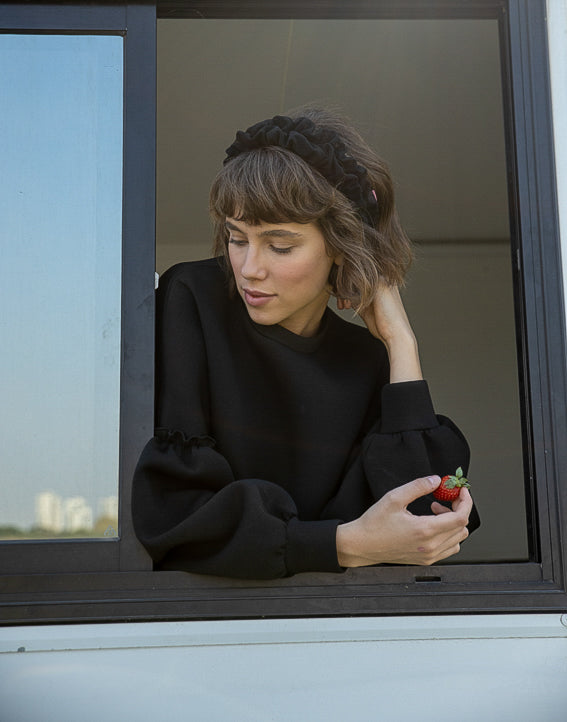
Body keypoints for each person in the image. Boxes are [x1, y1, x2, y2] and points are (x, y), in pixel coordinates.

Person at [132, 108, 479, 579]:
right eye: (237, 238)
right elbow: (176, 516)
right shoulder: (191, 299)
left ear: (341, 245)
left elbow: (419, 520)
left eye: (280, 246)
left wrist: (401, 342)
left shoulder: (365, 361)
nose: (249, 268)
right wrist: (341, 545)